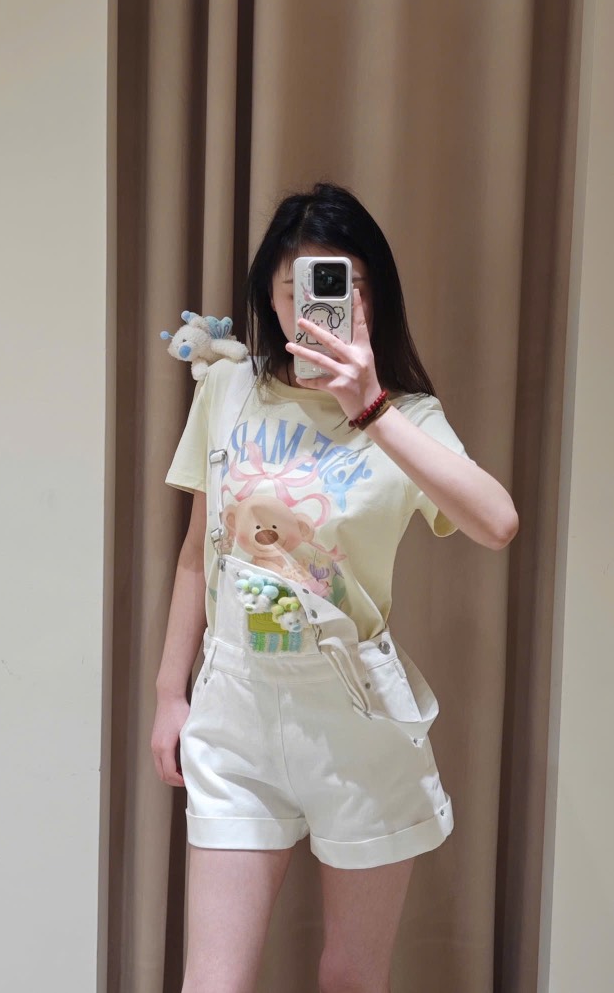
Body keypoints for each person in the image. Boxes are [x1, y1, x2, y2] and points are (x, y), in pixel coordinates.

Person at [151, 183, 518, 993]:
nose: (312, 307)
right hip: (235, 707)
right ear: (269, 298)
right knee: (211, 982)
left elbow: (497, 523)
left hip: (355, 715)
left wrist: (371, 405)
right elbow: (195, 553)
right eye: (294, 288)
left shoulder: (408, 416)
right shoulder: (228, 389)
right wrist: (169, 692)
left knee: (350, 976)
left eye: (339, 285)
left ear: (370, 297)